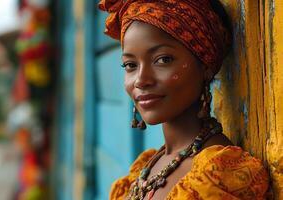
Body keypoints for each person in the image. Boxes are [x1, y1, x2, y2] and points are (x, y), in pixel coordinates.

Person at [98, 0, 270, 199]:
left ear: (205, 65)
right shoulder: (148, 166)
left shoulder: (220, 178)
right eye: (130, 65)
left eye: (163, 60)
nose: (141, 80)